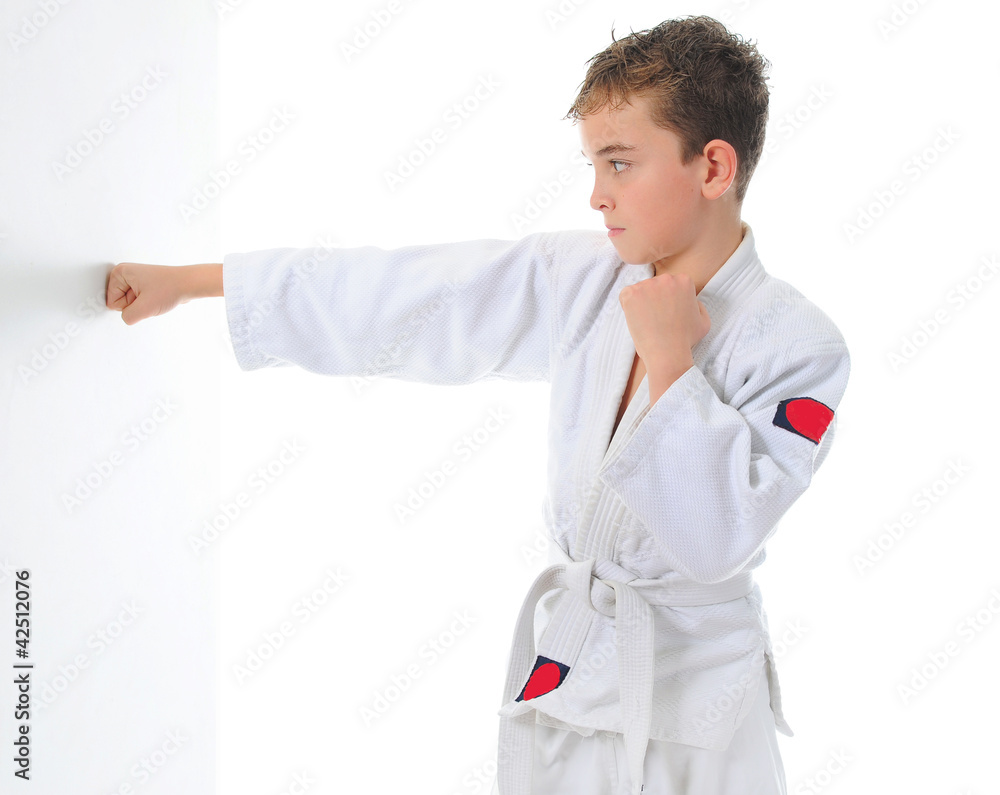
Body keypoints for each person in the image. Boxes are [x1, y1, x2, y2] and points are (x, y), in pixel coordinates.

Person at [106, 15, 850, 795]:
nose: (597, 195)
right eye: (594, 165)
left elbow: (717, 534)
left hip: (702, 711)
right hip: (574, 674)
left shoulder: (799, 344)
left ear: (713, 167)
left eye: (620, 163)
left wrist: (670, 362)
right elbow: (410, 295)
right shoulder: (584, 280)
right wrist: (195, 281)